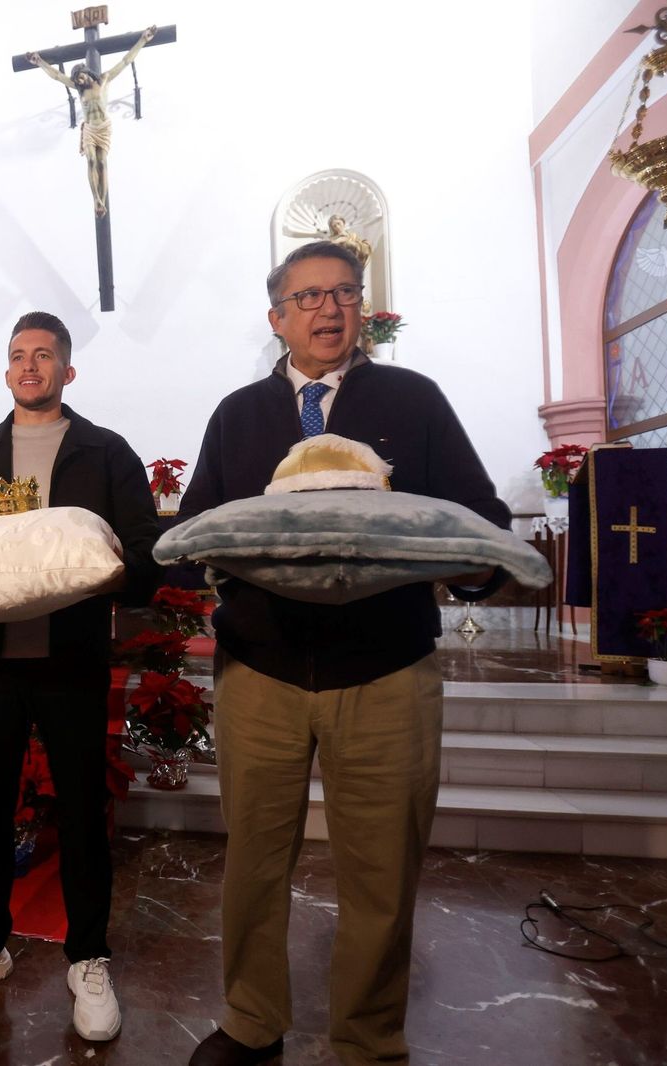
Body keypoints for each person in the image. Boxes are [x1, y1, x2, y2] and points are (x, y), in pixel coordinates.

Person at [181, 241, 509, 1066]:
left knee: (381, 870)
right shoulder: (237, 415)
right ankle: (252, 1023)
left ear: (363, 307)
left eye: (345, 293)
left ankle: (366, 1040)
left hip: (387, 670)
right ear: (278, 317)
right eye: (310, 297)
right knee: (254, 862)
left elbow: (479, 518)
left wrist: (469, 569)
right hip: (261, 671)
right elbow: (198, 526)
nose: (330, 310)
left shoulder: (414, 399)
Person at [0, 311, 161, 1042]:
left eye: (45, 356)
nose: (31, 367)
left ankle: (88, 957)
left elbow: (145, 551)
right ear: (6, 373)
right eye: (19, 356)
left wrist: (102, 570)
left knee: (83, 812)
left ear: (67, 370)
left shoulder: (105, 452)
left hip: (71, 662)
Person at [27, 25, 158, 217]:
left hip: (103, 128)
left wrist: (143, 39)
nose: (79, 82)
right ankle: (96, 199)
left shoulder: (104, 79)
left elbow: (126, 60)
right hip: (89, 129)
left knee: (102, 163)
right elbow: (56, 76)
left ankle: (103, 201)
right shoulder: (78, 88)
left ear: (86, 72)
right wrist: (39, 61)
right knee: (90, 160)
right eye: (77, 82)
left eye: (80, 78)